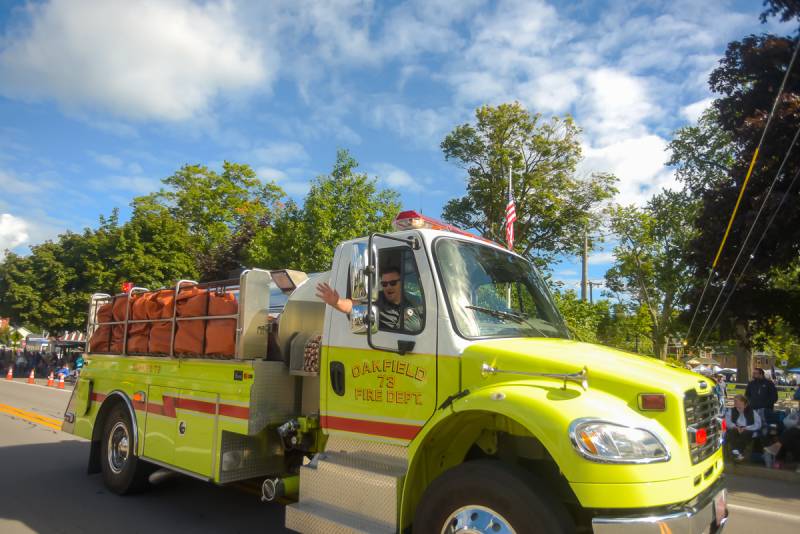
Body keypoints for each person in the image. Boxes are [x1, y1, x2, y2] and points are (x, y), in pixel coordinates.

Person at [316, 266, 423, 332]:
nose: (388, 287)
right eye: (384, 284)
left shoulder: (415, 300)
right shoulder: (376, 300)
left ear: (402, 283)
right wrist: (337, 302)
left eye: (393, 283)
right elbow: (353, 306)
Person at [725, 394, 762, 462]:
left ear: (744, 403)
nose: (735, 403)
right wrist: (736, 427)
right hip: (736, 428)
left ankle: (737, 452)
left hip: (748, 430)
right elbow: (727, 422)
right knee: (733, 432)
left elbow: (758, 424)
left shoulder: (752, 412)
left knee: (745, 434)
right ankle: (737, 454)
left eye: (737, 401)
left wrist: (746, 428)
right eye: (735, 401)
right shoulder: (731, 411)